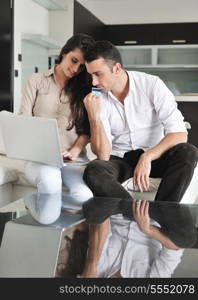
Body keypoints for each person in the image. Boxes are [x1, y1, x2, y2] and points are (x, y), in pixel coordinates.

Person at [80, 40, 198, 277]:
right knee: (94, 169)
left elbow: (179, 133)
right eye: (90, 75)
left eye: (98, 75)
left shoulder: (151, 85)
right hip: (121, 159)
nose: (93, 82)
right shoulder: (97, 98)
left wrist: (149, 156)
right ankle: (137, 215)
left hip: (156, 155)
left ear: (116, 68)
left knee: (188, 152)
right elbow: (103, 155)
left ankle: (164, 211)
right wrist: (94, 117)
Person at [20, 33, 95, 224]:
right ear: (64, 53)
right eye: (74, 60)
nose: (75, 69)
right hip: (40, 158)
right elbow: (24, 122)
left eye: (81, 67)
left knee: (84, 195)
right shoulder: (36, 80)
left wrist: (74, 151)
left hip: (73, 160)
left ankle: (63, 233)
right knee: (50, 187)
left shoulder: (83, 89)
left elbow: (86, 130)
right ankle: (40, 213)